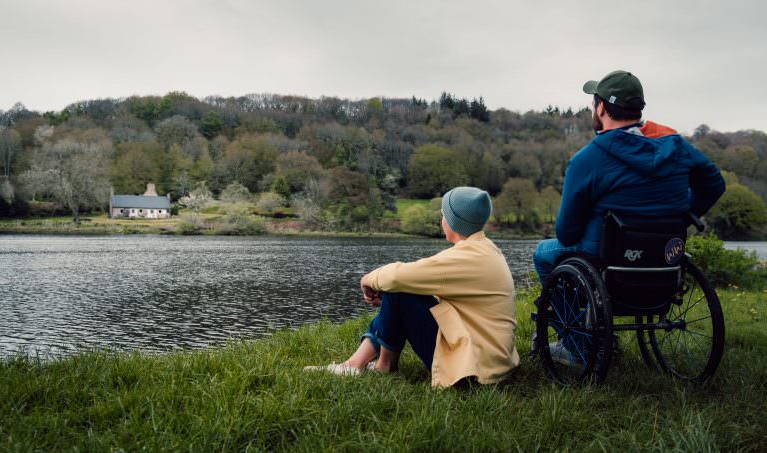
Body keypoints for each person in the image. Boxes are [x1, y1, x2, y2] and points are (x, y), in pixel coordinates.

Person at [531, 70, 726, 362]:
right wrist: (683, 218)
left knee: (544, 253)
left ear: (601, 108)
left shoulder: (587, 160)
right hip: (663, 255)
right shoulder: (676, 145)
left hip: (603, 256)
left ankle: (576, 343)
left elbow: (567, 234)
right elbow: (714, 184)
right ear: (637, 109)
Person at [305, 186, 519, 388]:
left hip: (474, 371)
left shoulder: (466, 257)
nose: (441, 219)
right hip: (492, 362)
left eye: (444, 214)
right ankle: (355, 364)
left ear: (453, 222)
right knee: (402, 291)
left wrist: (367, 279)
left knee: (398, 290)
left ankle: (382, 367)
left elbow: (397, 276)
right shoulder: (485, 250)